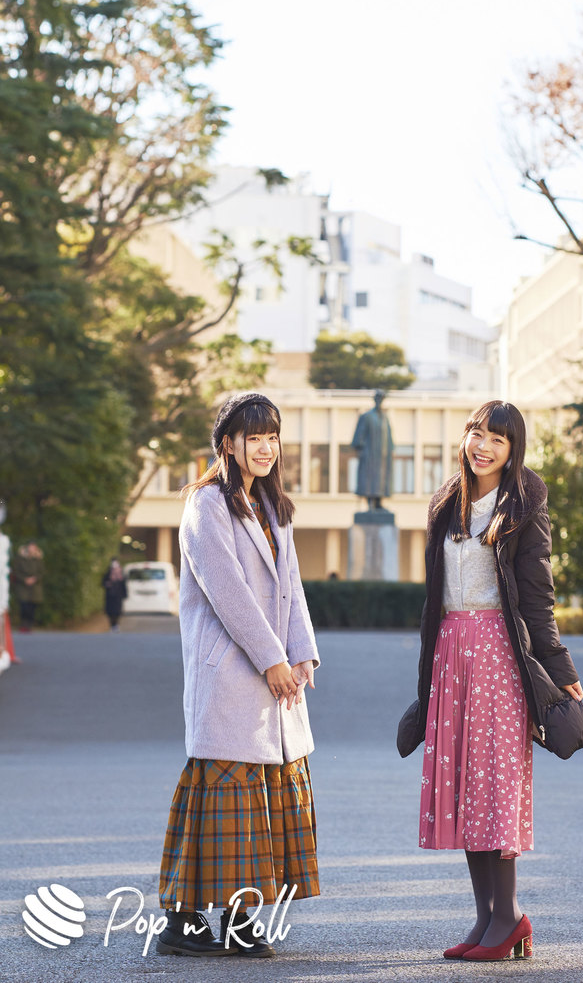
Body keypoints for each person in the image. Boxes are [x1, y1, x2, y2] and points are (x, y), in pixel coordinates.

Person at [398, 401, 583, 962]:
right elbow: (435, 600)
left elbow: (537, 597)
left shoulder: (525, 507)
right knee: (462, 788)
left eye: (498, 440)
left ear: (513, 450)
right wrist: (427, 671)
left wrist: (561, 669)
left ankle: (508, 918)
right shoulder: (445, 503)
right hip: (451, 655)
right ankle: (488, 921)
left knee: (493, 788)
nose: (483, 446)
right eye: (478, 433)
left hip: (500, 658)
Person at [156, 392, 320, 959]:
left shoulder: (273, 508)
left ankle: (238, 916)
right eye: (254, 437)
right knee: (224, 792)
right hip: (231, 671)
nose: (266, 447)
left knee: (257, 799)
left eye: (272, 437)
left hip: (272, 674)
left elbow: (290, 588)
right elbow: (230, 593)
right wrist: (274, 660)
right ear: (227, 442)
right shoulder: (206, 504)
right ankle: (184, 923)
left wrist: (302, 654)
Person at [12, 540, 44, 632]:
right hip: (23, 586)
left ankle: (29, 624)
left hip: (35, 587)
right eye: (31, 546)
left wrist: (35, 578)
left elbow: (42, 572)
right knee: (24, 605)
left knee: (32, 606)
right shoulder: (20, 559)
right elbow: (16, 571)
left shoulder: (38, 559)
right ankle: (23, 624)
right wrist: (24, 579)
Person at [102, 559, 127, 631]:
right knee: (110, 612)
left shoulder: (121, 575)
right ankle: (112, 625)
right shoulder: (107, 574)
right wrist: (108, 584)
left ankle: (116, 625)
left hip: (118, 597)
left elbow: (123, 586)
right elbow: (103, 583)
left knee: (117, 611)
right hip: (110, 597)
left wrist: (124, 595)